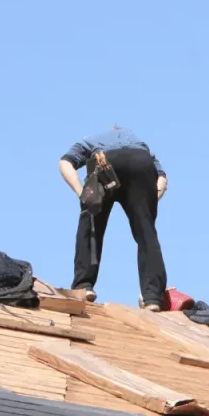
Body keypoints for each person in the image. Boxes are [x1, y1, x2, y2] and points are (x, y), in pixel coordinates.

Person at [58, 125, 169, 310]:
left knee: (91, 224)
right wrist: (146, 206)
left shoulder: (90, 139)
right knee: (146, 233)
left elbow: (64, 162)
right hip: (140, 164)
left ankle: (83, 286)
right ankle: (152, 298)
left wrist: (82, 195)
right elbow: (162, 181)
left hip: (104, 161)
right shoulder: (141, 144)